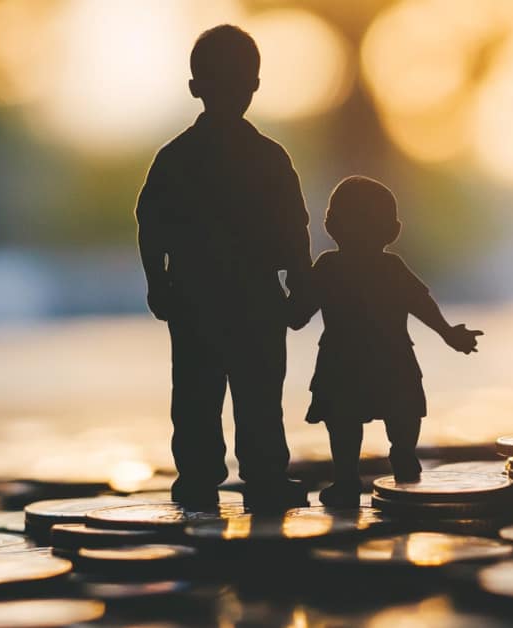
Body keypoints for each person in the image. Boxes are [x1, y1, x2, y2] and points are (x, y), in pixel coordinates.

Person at [135, 25, 310, 510]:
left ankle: (201, 476)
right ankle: (262, 474)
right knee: (252, 396)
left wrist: (158, 283)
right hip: (251, 301)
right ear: (255, 85)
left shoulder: (175, 158)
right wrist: (301, 288)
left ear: (195, 86)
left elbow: (150, 223)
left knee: (199, 395)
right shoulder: (270, 159)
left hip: (197, 300)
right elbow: (294, 230)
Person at [288, 175, 482, 507]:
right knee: (401, 411)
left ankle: (347, 478)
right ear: (393, 230)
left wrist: (289, 291)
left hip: (342, 360)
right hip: (392, 357)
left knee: (344, 420)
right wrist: (448, 333)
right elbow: (421, 303)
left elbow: (297, 316)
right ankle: (402, 454)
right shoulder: (391, 266)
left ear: (331, 224)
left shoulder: (329, 267)